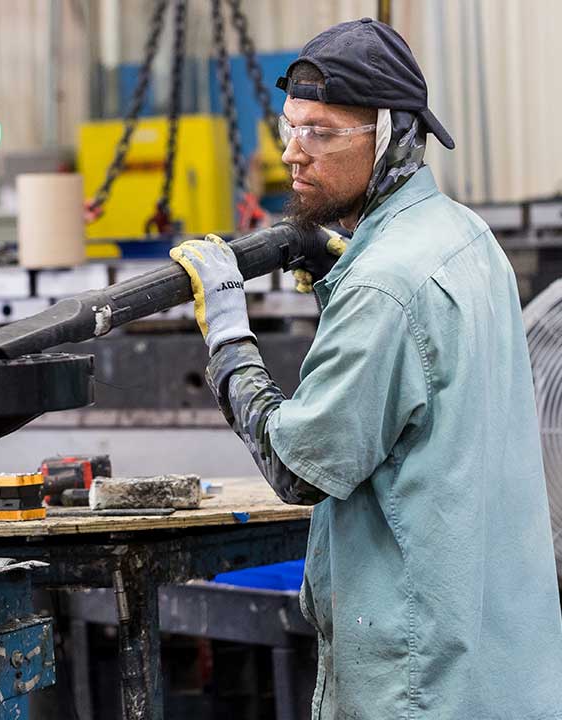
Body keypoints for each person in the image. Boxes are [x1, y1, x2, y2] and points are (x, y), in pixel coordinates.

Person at [170, 18, 562, 719]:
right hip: (502, 675)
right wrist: (336, 271)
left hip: (417, 687)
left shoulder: (384, 286)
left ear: (388, 135)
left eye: (321, 133)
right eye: (291, 128)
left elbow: (297, 467)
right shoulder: (466, 236)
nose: (293, 153)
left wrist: (228, 334)